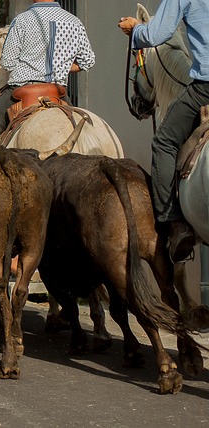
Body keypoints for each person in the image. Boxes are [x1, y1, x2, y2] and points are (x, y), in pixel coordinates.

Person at [118, 0, 208, 263]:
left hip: (206, 87)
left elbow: (157, 34)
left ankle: (174, 224)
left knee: (164, 142)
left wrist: (135, 30)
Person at [0, 0, 95, 142]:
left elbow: (7, 63)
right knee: (80, 136)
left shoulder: (22, 20)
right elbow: (88, 61)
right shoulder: (74, 22)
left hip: (22, 90)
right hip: (57, 92)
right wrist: (62, 66)